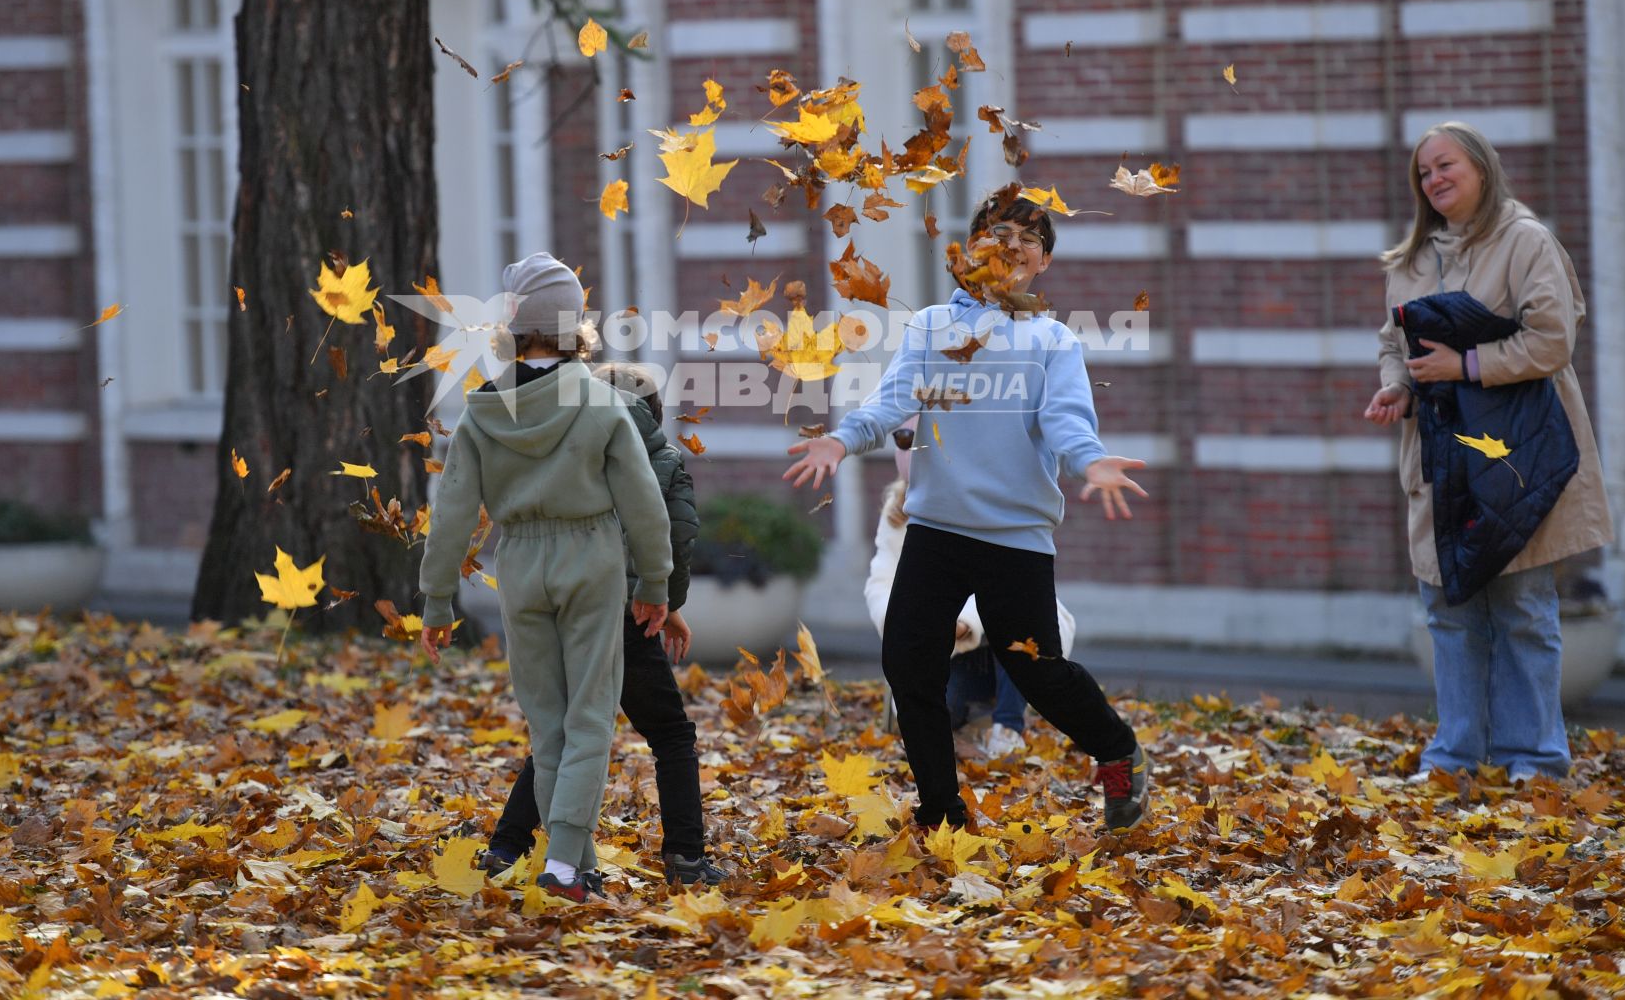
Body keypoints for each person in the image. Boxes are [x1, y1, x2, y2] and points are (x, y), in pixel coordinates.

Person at [785, 185, 1153, 833]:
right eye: (997, 233)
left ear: (1043, 263)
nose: (1011, 247)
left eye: (1028, 240)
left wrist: (1091, 460)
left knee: (1038, 674)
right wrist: (841, 441)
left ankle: (1120, 752)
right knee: (907, 663)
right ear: (969, 249)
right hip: (936, 529)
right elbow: (891, 405)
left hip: (1015, 539)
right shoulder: (931, 325)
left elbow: (1066, 419)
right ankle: (942, 814)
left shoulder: (1052, 341)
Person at [418, 253, 672, 902]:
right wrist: (654, 586)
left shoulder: (482, 413)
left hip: (520, 563)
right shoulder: (603, 405)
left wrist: (438, 599)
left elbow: (451, 513)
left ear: (514, 329)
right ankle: (563, 865)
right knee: (590, 716)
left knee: (548, 723)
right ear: (574, 328)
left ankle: (576, 862)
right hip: (590, 556)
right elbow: (644, 503)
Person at [1365, 122, 1613, 783]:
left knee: (1523, 607)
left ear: (1481, 166)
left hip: (1514, 456)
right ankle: (1455, 759)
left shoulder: (1526, 241)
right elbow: (1394, 345)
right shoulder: (1410, 261)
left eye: (1446, 165)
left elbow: (1553, 340)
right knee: (1450, 610)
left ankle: (1533, 761)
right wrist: (1396, 387)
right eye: (1424, 173)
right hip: (1439, 460)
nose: (1434, 179)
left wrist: (1466, 365)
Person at [480, 362, 728, 887]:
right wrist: (665, 602)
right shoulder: (662, 459)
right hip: (629, 614)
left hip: (565, 604)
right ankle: (686, 856)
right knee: (671, 736)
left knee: (562, 730)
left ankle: (507, 845)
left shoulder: (566, 451)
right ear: (655, 410)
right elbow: (675, 536)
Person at [866, 476, 1079, 758]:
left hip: (997, 641)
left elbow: (1007, 583)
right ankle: (971, 726)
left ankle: (1006, 727)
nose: (912, 452)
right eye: (902, 441)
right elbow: (881, 584)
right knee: (940, 706)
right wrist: (902, 621)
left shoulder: (984, 492)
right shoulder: (897, 509)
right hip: (951, 652)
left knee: (1016, 629)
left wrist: (962, 622)